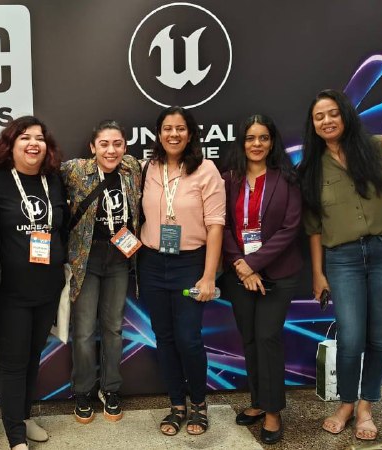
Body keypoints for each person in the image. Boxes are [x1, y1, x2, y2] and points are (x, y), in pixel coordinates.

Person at [298, 89, 382, 441]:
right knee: (350, 336)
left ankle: (366, 406)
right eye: (319, 117)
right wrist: (318, 274)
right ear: (313, 125)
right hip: (341, 259)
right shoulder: (311, 168)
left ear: (345, 114)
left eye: (333, 113)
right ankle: (346, 403)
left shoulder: (378, 148)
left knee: (379, 337)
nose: (327, 121)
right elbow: (314, 228)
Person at [0, 116, 68, 450]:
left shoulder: (53, 180)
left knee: (32, 357)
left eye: (40, 138)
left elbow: (61, 228)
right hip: (10, 293)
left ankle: (25, 416)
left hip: (47, 289)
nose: (34, 144)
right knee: (14, 364)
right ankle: (15, 435)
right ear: (10, 144)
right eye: (25, 137)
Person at [137, 106, 225, 437]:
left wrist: (209, 275)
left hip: (190, 264)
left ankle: (199, 404)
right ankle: (176, 404)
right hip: (152, 263)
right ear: (159, 134)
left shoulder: (206, 170)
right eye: (167, 129)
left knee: (188, 338)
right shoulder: (148, 167)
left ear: (190, 134)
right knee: (164, 337)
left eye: (180, 129)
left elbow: (215, 225)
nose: (174, 134)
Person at [220, 114, 302, 445]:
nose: (257, 144)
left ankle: (272, 411)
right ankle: (257, 401)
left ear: (272, 142)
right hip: (239, 274)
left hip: (278, 273)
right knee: (250, 339)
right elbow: (223, 225)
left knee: (267, 338)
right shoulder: (229, 179)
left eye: (263, 138)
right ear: (242, 143)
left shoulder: (287, 179)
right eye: (250, 138)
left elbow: (290, 228)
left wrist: (252, 263)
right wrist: (241, 265)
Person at [61, 120, 142, 424]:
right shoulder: (74, 170)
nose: (111, 150)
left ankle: (110, 389)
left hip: (119, 257)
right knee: (83, 330)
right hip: (86, 259)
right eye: (104, 144)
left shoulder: (132, 168)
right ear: (92, 147)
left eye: (117, 144)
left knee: (113, 328)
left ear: (125, 146)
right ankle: (82, 390)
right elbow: (37, 170)